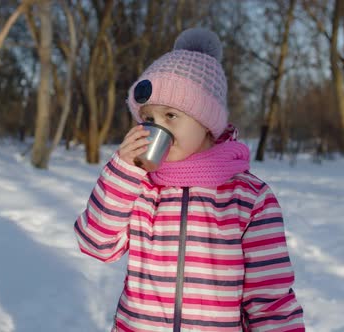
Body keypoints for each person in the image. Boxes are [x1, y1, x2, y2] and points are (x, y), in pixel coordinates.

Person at [74, 27, 304, 332]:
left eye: (171, 116)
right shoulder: (141, 187)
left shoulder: (249, 198)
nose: (157, 129)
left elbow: (270, 298)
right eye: (149, 119)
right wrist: (122, 172)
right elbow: (96, 245)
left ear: (207, 122)